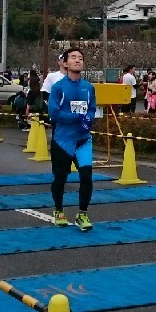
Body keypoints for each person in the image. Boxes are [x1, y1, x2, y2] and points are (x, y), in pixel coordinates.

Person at [47, 47, 97, 231]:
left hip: (83, 141)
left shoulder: (88, 87)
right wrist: (77, 117)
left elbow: (92, 108)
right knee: (60, 178)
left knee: (87, 177)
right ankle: (59, 210)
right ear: (65, 63)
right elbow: (54, 114)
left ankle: (82, 214)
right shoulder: (58, 88)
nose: (77, 60)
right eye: (73, 57)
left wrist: (88, 119)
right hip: (63, 141)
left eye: (80, 58)